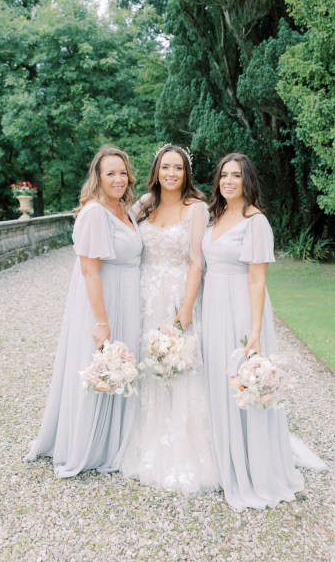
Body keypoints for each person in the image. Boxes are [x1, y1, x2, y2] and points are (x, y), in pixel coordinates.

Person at [25, 145, 142, 477]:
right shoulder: (95, 213)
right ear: (98, 178)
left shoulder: (126, 209)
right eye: (110, 173)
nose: (118, 179)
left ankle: (116, 437)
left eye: (122, 172)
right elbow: (90, 271)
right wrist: (102, 321)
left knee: (123, 366)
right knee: (103, 365)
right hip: (107, 300)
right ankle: (91, 445)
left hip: (129, 297)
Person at [202, 152, 305, 510]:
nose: (229, 181)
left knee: (242, 382)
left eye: (236, 175)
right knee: (217, 380)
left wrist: (256, 330)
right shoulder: (214, 216)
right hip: (212, 305)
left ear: (248, 181)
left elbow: (257, 278)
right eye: (224, 175)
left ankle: (253, 467)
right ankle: (224, 456)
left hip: (241, 308)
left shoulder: (254, 221)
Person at [120, 144, 219, 494]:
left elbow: (196, 260)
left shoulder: (197, 208)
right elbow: (118, 223)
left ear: (186, 172)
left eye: (178, 168)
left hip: (179, 293)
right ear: (157, 170)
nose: (172, 174)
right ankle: (147, 441)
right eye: (166, 167)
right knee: (149, 364)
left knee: (182, 363)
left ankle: (186, 447)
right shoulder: (146, 204)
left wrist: (187, 307)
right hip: (146, 295)